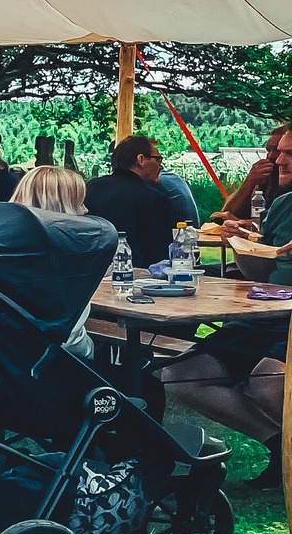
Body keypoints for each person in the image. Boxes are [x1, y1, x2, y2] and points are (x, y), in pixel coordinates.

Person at [162, 139, 292, 487]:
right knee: (181, 374)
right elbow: (260, 273)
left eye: (289, 153)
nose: (278, 160)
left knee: (267, 383)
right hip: (263, 317)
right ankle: (279, 445)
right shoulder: (283, 204)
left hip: (288, 323)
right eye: (278, 152)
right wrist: (241, 244)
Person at [6, 165, 98, 359]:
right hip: (51, 366)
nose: (85, 210)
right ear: (62, 207)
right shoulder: (67, 263)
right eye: (79, 202)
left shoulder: (3, 248)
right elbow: (71, 341)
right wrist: (93, 350)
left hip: (1, 359)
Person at [84, 135, 179, 268]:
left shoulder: (91, 188)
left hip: (91, 270)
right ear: (141, 159)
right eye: (158, 159)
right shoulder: (153, 197)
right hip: (135, 273)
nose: (161, 166)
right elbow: (160, 257)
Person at [214, 125, 290, 222]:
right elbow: (224, 215)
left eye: (277, 151)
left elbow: (280, 225)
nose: (271, 156)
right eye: (268, 150)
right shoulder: (264, 180)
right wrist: (248, 183)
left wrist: (240, 222)